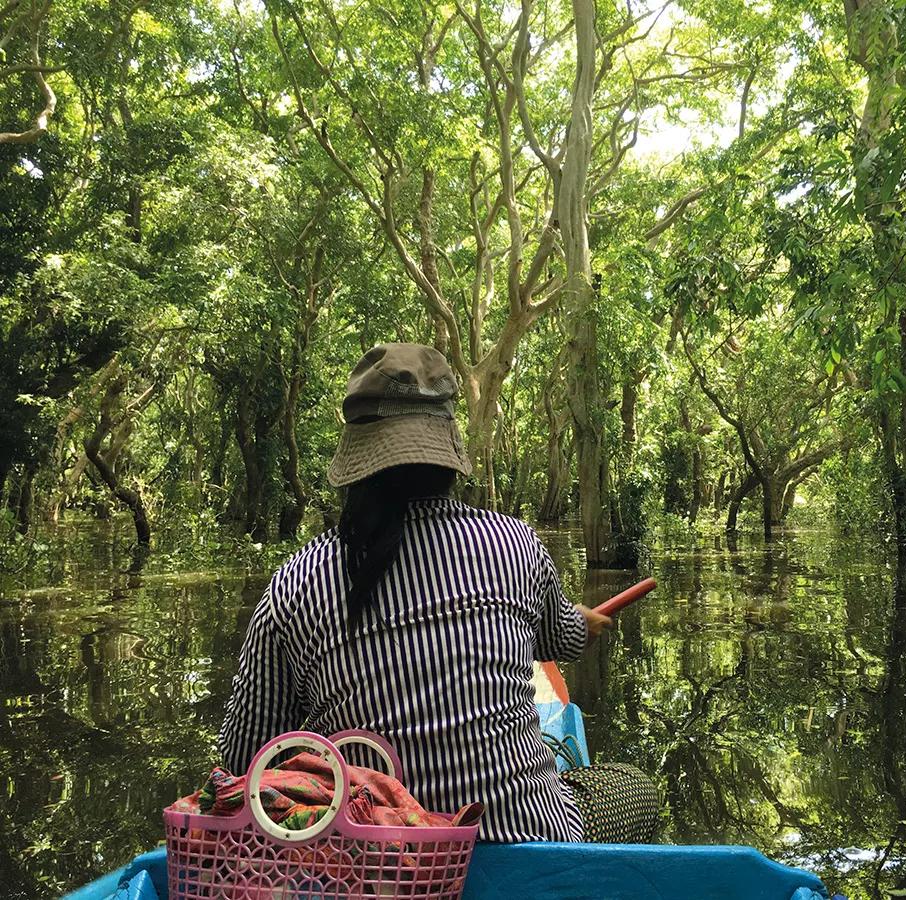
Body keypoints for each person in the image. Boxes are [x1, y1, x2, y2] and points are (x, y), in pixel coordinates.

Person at [219, 342, 658, 843]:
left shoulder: (295, 584)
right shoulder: (514, 544)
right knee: (634, 785)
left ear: (358, 458)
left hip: (378, 859)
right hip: (526, 836)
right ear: (446, 449)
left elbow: (245, 758)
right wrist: (582, 623)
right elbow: (560, 640)